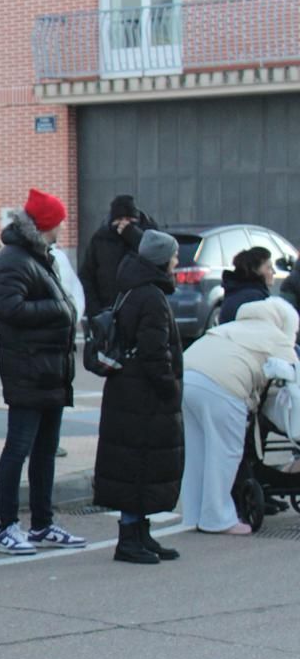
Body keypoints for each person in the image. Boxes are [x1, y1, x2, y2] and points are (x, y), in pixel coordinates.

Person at [0, 191, 89, 556]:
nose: (64, 227)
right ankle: (6, 527)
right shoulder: (13, 259)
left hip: (50, 369)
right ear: (48, 224)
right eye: (60, 221)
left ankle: (42, 523)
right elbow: (8, 307)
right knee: (18, 448)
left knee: (45, 450)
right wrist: (60, 307)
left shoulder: (40, 256)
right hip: (29, 369)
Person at [94, 230, 185, 563]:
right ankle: (130, 538)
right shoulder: (150, 296)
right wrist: (170, 388)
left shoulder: (133, 288)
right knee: (138, 463)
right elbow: (154, 352)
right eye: (174, 256)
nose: (177, 261)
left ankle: (140, 533)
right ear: (162, 259)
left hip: (127, 390)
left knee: (137, 463)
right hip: (142, 396)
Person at [180, 299, 299, 535]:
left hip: (185, 378)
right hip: (224, 385)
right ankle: (217, 519)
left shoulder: (233, 327)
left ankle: (194, 513)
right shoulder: (274, 336)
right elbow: (294, 379)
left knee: (197, 452)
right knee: (224, 452)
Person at [78, 194, 149, 321]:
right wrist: (95, 312)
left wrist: (133, 235)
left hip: (140, 313)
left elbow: (154, 263)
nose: (124, 223)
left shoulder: (147, 236)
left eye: (128, 219)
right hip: (106, 312)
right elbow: (87, 277)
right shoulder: (100, 239)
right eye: (120, 219)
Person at [217, 246, 274, 325]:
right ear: (255, 270)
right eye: (269, 268)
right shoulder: (255, 298)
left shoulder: (235, 290)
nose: (273, 272)